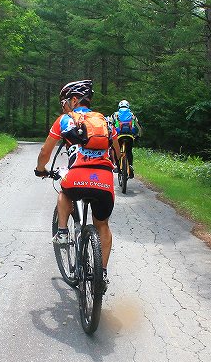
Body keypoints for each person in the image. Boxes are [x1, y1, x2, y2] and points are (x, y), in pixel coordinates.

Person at [35, 80, 120, 290]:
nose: (63, 106)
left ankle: (62, 232)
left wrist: (40, 169)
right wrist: (114, 165)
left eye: (64, 101)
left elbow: (45, 152)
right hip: (104, 181)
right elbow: (117, 155)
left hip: (77, 178)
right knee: (103, 225)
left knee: (64, 192)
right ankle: (102, 276)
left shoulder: (65, 120)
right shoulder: (106, 122)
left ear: (74, 100)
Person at [110, 100, 142, 178]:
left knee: (115, 149)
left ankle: (118, 166)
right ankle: (130, 166)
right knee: (129, 151)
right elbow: (139, 127)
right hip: (130, 136)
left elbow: (110, 125)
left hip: (119, 136)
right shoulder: (132, 115)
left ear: (119, 107)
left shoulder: (115, 114)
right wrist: (138, 136)